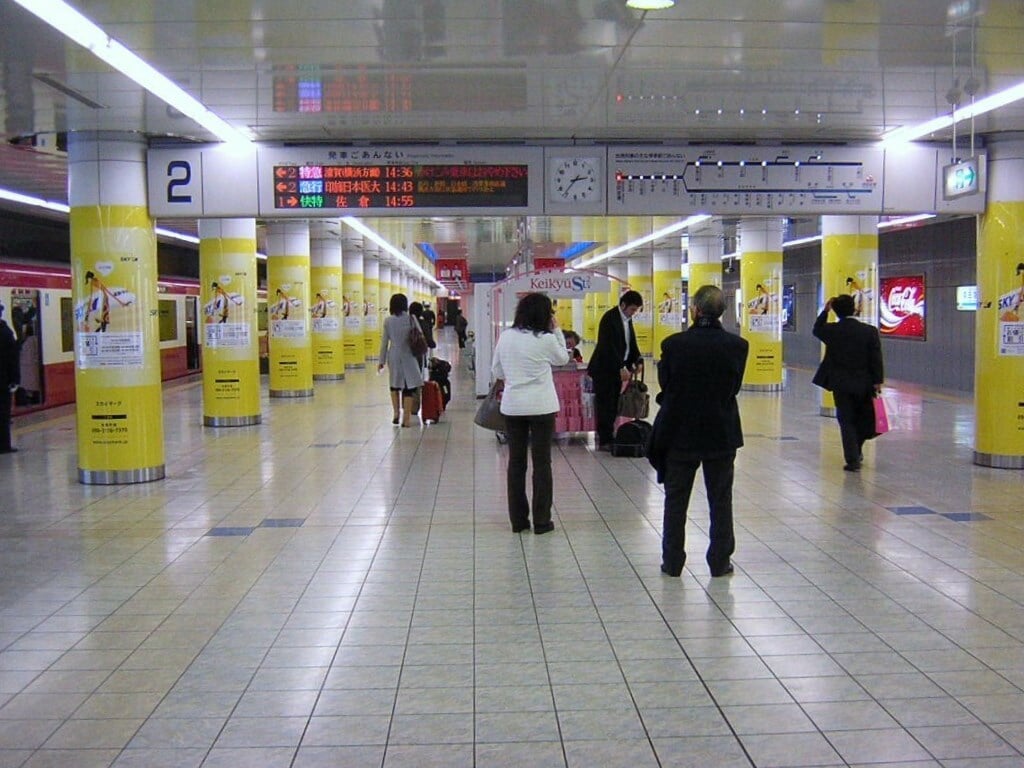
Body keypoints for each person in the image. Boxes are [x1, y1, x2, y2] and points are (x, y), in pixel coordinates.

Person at [648, 285, 749, 578]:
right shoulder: (738, 346)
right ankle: (719, 561)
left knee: (676, 499)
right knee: (720, 498)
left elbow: (668, 386)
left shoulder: (673, 345)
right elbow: (734, 388)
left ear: (694, 310)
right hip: (721, 431)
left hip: (680, 432)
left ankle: (673, 561)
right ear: (722, 311)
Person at [491, 292, 570, 534]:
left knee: (516, 463)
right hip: (542, 407)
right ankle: (542, 521)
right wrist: (557, 331)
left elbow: (497, 370)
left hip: (513, 407)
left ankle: (518, 521)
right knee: (542, 463)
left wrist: (517, 376)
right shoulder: (546, 339)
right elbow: (563, 359)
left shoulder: (506, 337)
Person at [812, 293, 884, 472]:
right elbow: (876, 358)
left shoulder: (832, 331)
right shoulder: (869, 331)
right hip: (864, 384)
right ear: (855, 308)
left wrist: (825, 311)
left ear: (836, 311)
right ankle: (857, 449)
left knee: (846, 420)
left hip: (840, 384)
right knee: (863, 418)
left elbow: (816, 329)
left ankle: (852, 459)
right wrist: (877, 380)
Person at [587, 289, 643, 451]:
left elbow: (630, 342)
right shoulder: (609, 319)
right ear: (623, 305)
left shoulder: (627, 320)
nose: (633, 313)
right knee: (606, 404)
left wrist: (637, 360)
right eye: (632, 309)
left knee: (613, 404)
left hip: (618, 367)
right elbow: (607, 347)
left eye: (636, 310)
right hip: (605, 370)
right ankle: (605, 439)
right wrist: (620, 367)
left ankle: (609, 436)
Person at [378, 293, 424, 427]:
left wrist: (381, 360)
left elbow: (384, 342)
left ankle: (396, 413)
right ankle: (407, 419)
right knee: (409, 387)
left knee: (394, 385)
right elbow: (419, 334)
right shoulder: (411, 319)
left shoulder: (388, 321)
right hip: (409, 355)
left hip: (394, 355)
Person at [0, 302, 21, 454]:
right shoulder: (5, 333)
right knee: (2, 414)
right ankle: (3, 445)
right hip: (3, 382)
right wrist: (15, 379)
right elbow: (12, 359)